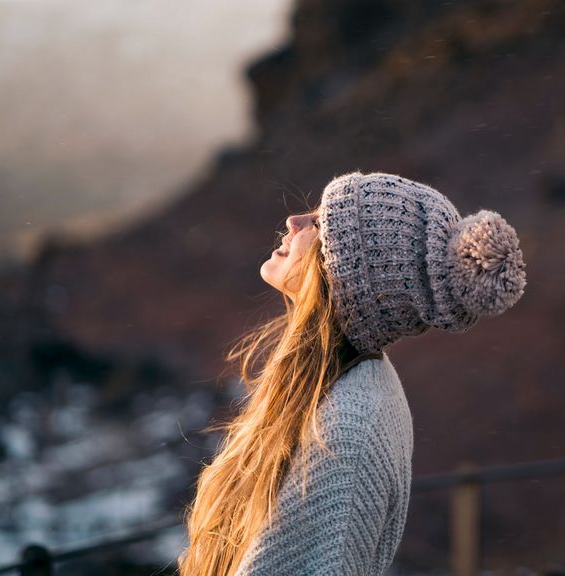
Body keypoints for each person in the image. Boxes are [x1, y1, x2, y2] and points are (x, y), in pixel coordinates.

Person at [178, 171, 527, 575]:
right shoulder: (339, 386)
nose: (294, 223)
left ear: (343, 277)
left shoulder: (348, 429)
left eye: (319, 223)